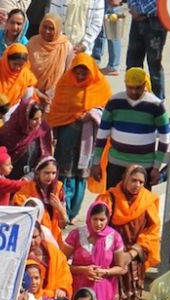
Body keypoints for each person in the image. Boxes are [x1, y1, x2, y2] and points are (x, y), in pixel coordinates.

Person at [48, 53, 112, 219]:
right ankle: (65, 210)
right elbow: (57, 111)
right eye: (78, 72)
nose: (81, 76)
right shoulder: (64, 84)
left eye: (85, 73)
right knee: (65, 173)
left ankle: (73, 211)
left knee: (81, 175)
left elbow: (108, 111)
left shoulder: (101, 86)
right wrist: (54, 134)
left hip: (88, 139)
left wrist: (92, 114)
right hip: (66, 137)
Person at [97, 165, 160, 300]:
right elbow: (96, 226)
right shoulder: (108, 198)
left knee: (130, 299)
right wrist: (117, 253)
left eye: (141, 182)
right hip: (110, 259)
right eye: (133, 180)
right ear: (125, 178)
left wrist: (131, 253)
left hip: (134, 261)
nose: (136, 185)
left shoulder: (148, 201)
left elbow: (153, 232)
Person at [91, 68, 170, 189]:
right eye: (130, 87)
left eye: (137, 88)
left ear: (144, 84)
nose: (133, 92)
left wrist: (156, 167)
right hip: (116, 164)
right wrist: (96, 163)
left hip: (144, 166)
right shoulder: (114, 102)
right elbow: (102, 134)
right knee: (114, 202)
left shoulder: (156, 105)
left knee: (139, 205)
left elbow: (165, 138)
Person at [62, 202, 127, 300]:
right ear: (88, 217)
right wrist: (83, 270)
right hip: (79, 289)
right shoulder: (76, 235)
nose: (98, 224)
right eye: (95, 219)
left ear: (108, 219)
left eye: (102, 220)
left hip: (103, 289)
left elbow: (120, 267)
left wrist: (104, 272)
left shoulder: (114, 237)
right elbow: (59, 263)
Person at [12, 157, 66, 243]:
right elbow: (19, 215)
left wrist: (60, 208)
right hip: (32, 238)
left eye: (53, 173)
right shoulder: (26, 190)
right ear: (37, 172)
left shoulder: (58, 188)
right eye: (47, 173)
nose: (50, 177)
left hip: (53, 237)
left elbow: (63, 224)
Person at [124, 0, 166, 99]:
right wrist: (132, 5)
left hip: (156, 20)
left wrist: (139, 10)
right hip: (137, 20)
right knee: (132, 62)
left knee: (154, 64)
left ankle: (158, 102)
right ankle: (133, 98)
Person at [0, 43, 42, 110]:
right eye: (15, 64)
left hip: (12, 115)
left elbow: (26, 102)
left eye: (21, 65)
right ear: (7, 60)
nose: (17, 68)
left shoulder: (27, 77)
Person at [26, 13, 74, 98]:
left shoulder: (66, 46)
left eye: (51, 28)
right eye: (45, 27)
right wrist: (35, 91)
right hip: (31, 93)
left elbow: (69, 74)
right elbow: (24, 69)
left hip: (55, 97)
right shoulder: (32, 42)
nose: (47, 31)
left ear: (58, 29)